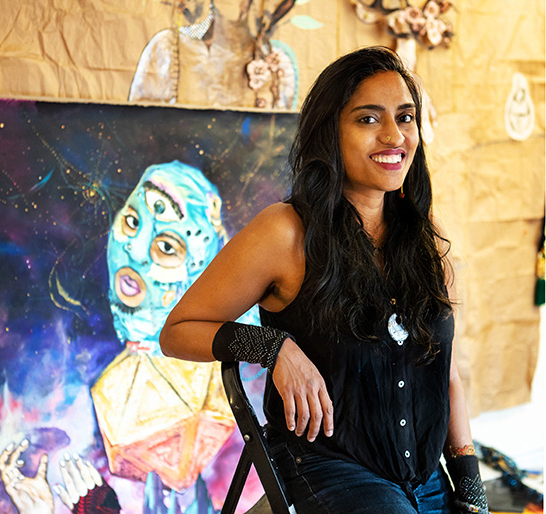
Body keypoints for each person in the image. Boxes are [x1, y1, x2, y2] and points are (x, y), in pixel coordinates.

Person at [159, 46, 489, 514]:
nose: (395, 136)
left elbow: (446, 373)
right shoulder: (285, 231)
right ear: (329, 132)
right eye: (368, 120)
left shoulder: (426, 239)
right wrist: (272, 348)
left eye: (406, 117)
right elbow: (177, 331)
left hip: (425, 478)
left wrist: (473, 493)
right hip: (330, 470)